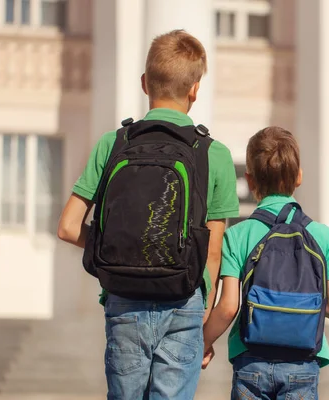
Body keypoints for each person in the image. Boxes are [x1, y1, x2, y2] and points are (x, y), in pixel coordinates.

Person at [57, 29, 239, 399]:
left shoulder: (114, 144)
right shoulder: (213, 153)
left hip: (123, 297)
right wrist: (204, 314)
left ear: (145, 84)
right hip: (183, 300)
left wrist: (113, 250)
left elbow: (67, 227)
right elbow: (214, 249)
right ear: (195, 89)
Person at [201, 126, 329, 400]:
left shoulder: (237, 235)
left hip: (251, 359)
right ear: (299, 177)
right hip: (302, 362)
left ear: (249, 179)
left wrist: (204, 342)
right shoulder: (322, 235)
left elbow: (229, 306)